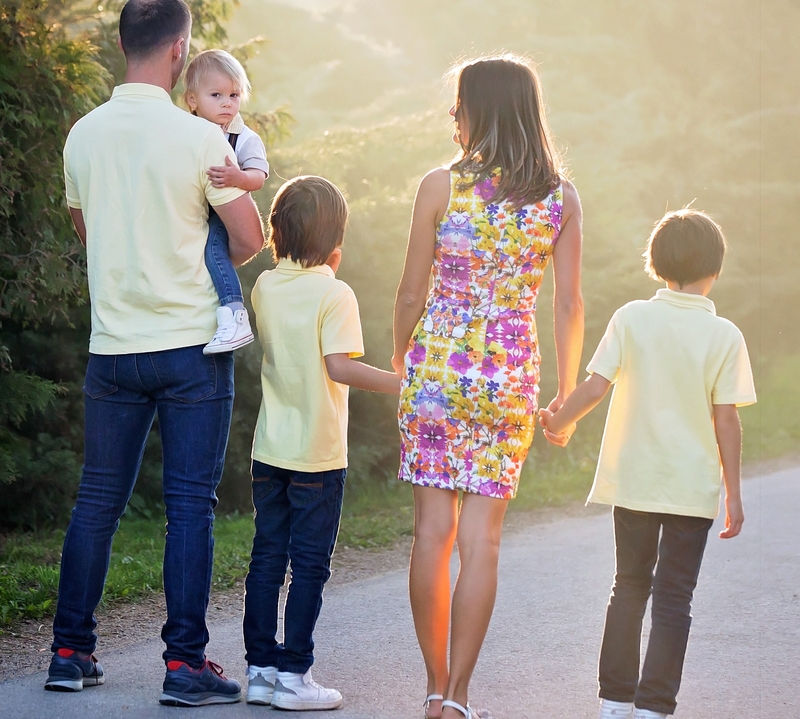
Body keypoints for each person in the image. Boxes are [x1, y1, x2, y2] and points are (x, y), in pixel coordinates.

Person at [45, 0, 264, 706]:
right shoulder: (199, 136)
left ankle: (69, 652)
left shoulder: (81, 136)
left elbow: (90, 232)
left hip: (112, 349)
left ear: (120, 41)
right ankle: (183, 665)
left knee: (97, 500)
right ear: (180, 51)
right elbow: (250, 237)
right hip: (191, 350)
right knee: (189, 506)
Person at [392, 55, 584, 719]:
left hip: (438, 371)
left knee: (430, 533)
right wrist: (562, 394)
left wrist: (401, 355)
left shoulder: (440, 186)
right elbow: (567, 305)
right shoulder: (560, 197)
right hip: (509, 376)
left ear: (481, 110)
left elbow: (412, 288)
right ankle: (460, 691)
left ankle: (432, 682)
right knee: (483, 541)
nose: (453, 116)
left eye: (459, 104)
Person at [538, 209, 756, 719]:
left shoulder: (632, 317)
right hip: (690, 489)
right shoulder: (725, 335)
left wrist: (557, 421)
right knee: (674, 598)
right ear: (715, 270)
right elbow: (727, 422)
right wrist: (735, 495)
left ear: (656, 265)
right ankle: (654, 708)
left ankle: (614, 702)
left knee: (628, 587)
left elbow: (595, 386)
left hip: (634, 480)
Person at [242, 175, 401, 711]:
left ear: (277, 231)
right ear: (335, 241)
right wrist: (405, 383)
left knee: (267, 557)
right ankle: (295, 675)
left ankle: (260, 672)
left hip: (270, 448)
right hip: (317, 454)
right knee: (309, 564)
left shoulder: (264, 285)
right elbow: (339, 367)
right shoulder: (336, 292)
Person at [183, 49, 270, 355]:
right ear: (192, 100)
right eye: (216, 94)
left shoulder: (243, 137)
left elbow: (259, 175)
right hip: (192, 210)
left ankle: (234, 313)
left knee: (215, 252)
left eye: (233, 95)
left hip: (221, 214)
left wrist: (238, 178)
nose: (226, 103)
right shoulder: (185, 131)